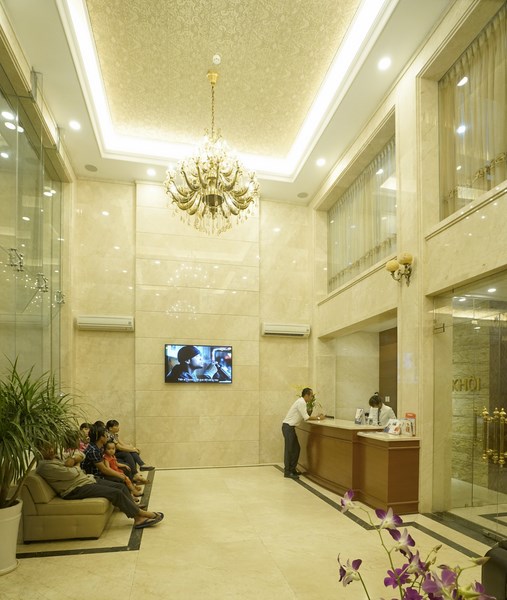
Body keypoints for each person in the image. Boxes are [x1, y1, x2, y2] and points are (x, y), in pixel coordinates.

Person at [36, 444, 163, 529]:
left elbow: (81, 454)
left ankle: (132, 507)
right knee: (116, 493)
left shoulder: (56, 457)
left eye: (51, 447)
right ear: (39, 450)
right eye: (46, 449)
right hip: (74, 489)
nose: (51, 450)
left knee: (120, 486)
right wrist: (76, 464)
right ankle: (139, 517)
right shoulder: (45, 466)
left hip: (85, 480)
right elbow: (74, 472)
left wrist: (74, 460)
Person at [281, 388, 324, 479]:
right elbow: (306, 417)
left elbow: (305, 416)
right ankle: (287, 472)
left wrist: (315, 417)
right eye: (311, 395)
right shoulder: (301, 402)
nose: (312, 398)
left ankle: (292, 469)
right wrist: (318, 418)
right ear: (306, 395)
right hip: (288, 427)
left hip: (290, 428)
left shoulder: (302, 402)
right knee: (290, 450)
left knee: (296, 449)